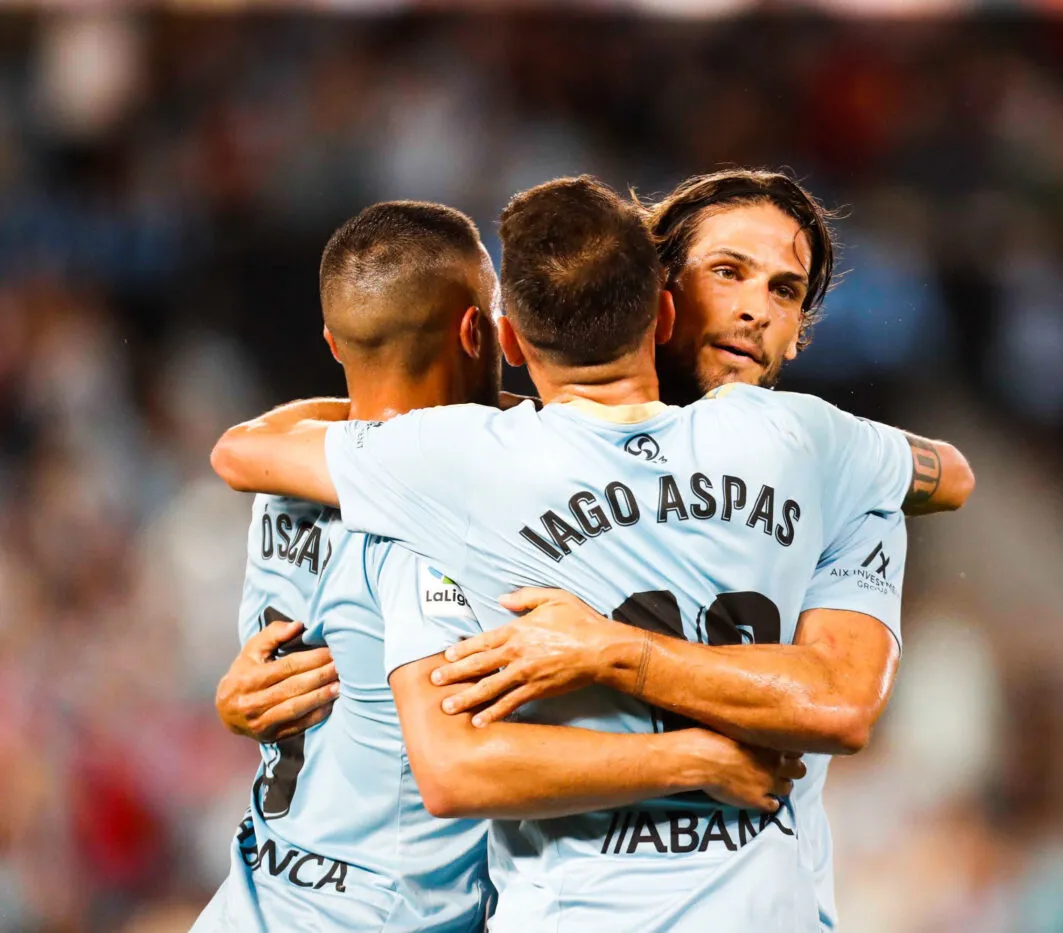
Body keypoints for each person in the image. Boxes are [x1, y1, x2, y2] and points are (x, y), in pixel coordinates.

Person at [215, 168, 975, 930]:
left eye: (786, 290)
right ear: (661, 293)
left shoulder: (831, 465)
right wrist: (249, 694)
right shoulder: (481, 464)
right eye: (728, 272)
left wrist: (610, 651)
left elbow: (841, 699)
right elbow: (445, 760)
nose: (753, 309)